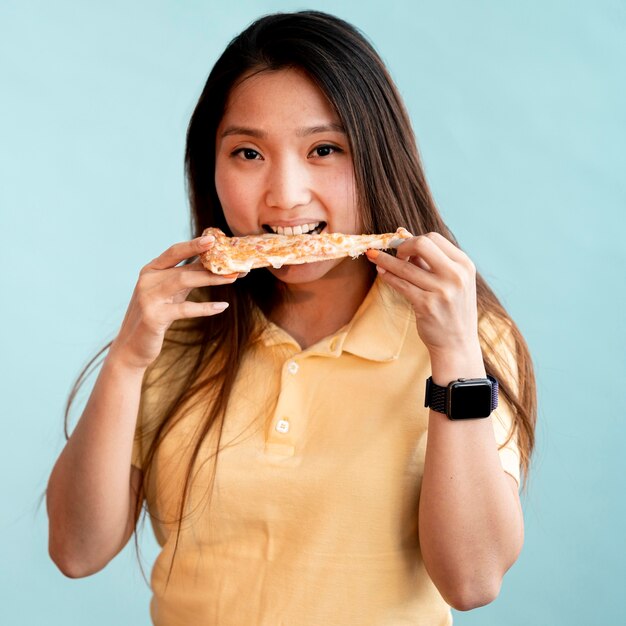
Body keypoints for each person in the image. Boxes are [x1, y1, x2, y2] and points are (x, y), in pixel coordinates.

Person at [46, 10, 536, 626]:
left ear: (380, 158)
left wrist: (456, 355)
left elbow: (472, 580)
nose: (285, 195)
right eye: (248, 152)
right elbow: (75, 550)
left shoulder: (470, 336)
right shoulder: (180, 332)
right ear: (211, 167)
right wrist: (127, 359)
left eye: (323, 149)